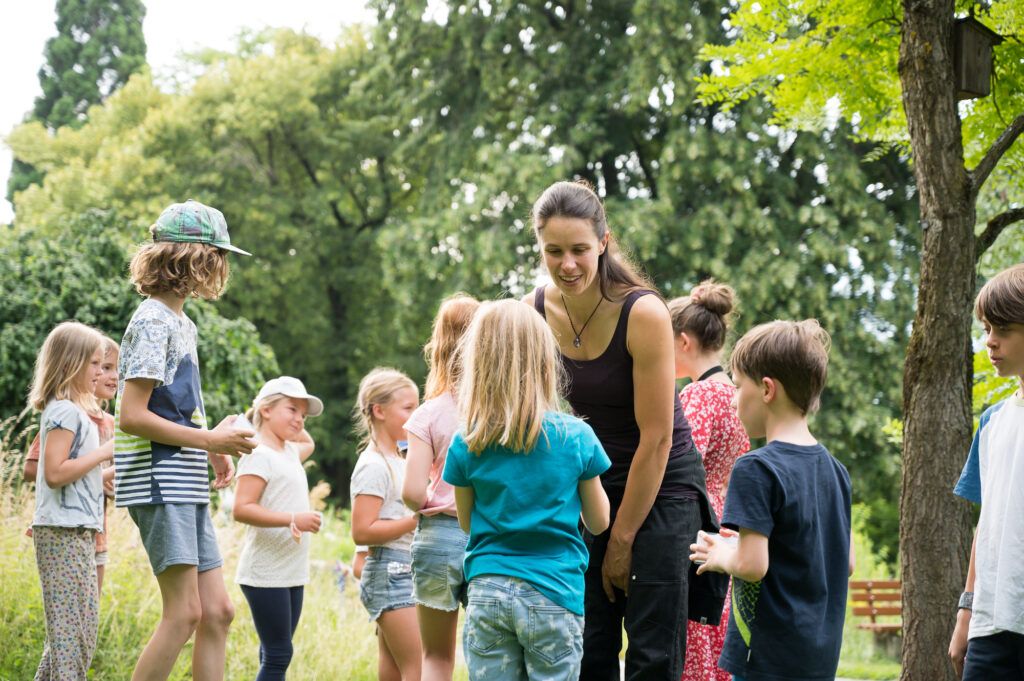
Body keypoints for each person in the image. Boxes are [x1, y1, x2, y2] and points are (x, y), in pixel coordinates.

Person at [524, 180, 711, 680]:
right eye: (554, 251)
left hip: (663, 486)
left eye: (580, 250)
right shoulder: (534, 311)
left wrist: (622, 538)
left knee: (652, 656)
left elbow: (658, 438)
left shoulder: (643, 312)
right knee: (588, 644)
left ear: (603, 242)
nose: (568, 265)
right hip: (595, 484)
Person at [115, 199, 257, 681]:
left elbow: (174, 403)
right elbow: (132, 416)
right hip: (159, 479)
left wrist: (212, 446)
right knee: (184, 614)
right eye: (218, 255)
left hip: (184, 478)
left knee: (217, 612)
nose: (222, 267)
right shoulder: (153, 320)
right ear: (193, 257)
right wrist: (208, 441)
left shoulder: (182, 323)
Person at [442, 299, 611, 680]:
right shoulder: (576, 437)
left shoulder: (467, 442)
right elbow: (599, 522)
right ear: (544, 360)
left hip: (487, 590)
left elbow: (468, 524)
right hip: (554, 592)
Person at [689, 319, 852, 681]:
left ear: (766, 389)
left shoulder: (756, 467)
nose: (733, 399)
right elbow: (847, 560)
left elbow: (752, 565)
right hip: (817, 658)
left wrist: (720, 555)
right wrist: (735, 544)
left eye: (736, 386)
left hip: (767, 657)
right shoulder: (836, 471)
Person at [668, 281, 750, 681]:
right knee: (719, 639)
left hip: (699, 528)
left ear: (684, 342)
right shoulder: (735, 394)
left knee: (695, 641)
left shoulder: (697, 397)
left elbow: (685, 466)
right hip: (730, 526)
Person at [949, 263, 1024, 681]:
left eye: (1003, 329)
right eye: (986, 329)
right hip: (990, 629)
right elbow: (988, 522)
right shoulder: (993, 422)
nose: (990, 342)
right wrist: (966, 611)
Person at [400, 293, 480, 681]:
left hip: (438, 538)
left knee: (436, 657)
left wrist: (437, 496)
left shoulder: (428, 414)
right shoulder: (498, 411)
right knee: (489, 652)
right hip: (487, 537)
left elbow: (412, 493)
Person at [28, 321, 113, 680]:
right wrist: (105, 452)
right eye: (94, 363)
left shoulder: (76, 413)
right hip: (62, 532)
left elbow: (76, 475)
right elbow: (55, 473)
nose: (100, 370)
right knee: (70, 639)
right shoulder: (64, 411)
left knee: (77, 635)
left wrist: (107, 475)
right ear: (70, 364)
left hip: (78, 530)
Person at [232, 376, 324, 681]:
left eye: (303, 414)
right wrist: (292, 518)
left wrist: (291, 420)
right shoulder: (259, 455)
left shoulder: (287, 452)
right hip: (265, 572)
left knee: (273, 653)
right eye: (292, 409)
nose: (299, 419)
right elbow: (242, 508)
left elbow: (307, 442)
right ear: (266, 409)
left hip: (291, 570)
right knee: (279, 654)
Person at [25, 335, 120, 593]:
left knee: (87, 617)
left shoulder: (110, 423)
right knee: (71, 621)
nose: (109, 375)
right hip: (65, 527)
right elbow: (43, 470)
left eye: (113, 368)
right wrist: (101, 464)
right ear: (73, 365)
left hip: (91, 525)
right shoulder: (66, 414)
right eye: (102, 366)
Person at [350, 367, 422, 681]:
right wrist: (415, 520)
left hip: (404, 571)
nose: (416, 415)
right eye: (408, 408)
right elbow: (362, 531)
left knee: (394, 670)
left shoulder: (401, 458)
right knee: (417, 669)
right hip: (391, 574)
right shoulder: (373, 466)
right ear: (379, 411)